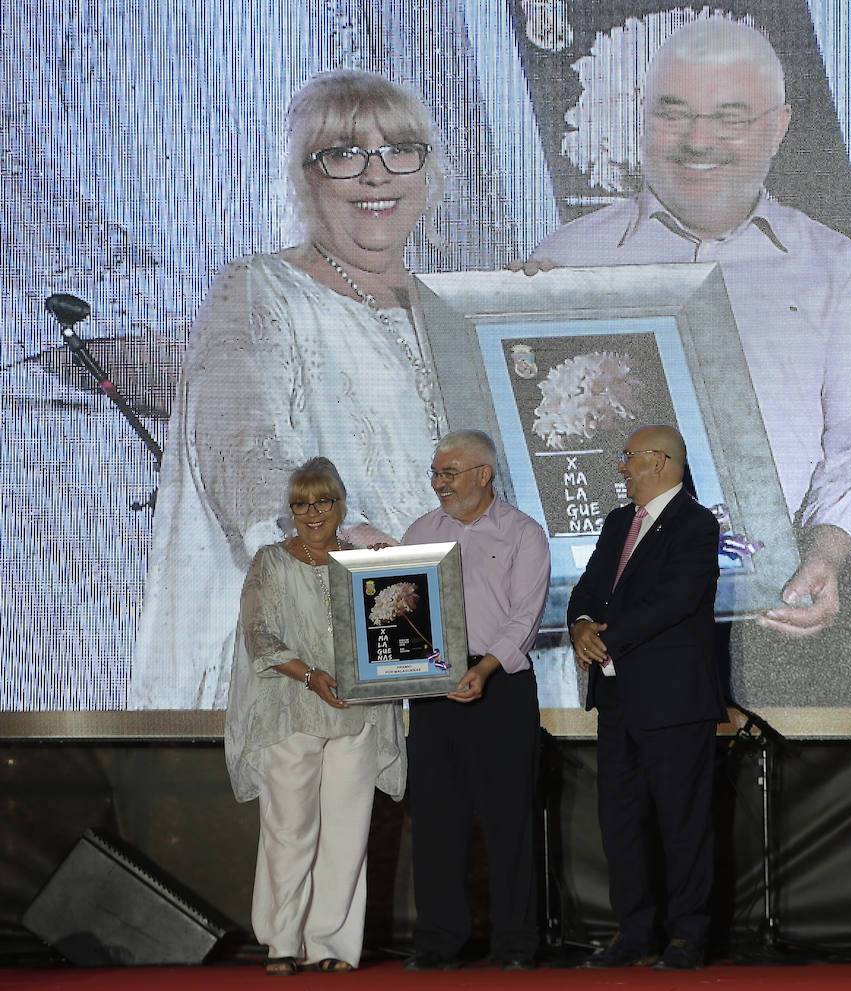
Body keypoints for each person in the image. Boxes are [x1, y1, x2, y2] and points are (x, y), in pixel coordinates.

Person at [528, 17, 851, 638]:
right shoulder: (563, 262)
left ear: (779, 126)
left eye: (730, 116)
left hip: (795, 611)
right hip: (620, 613)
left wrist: (824, 556)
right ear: (643, 120)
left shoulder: (838, 271)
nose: (697, 140)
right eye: (673, 113)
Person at [129, 70, 450, 709]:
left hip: (450, 641)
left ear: (427, 172)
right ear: (306, 178)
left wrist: (541, 308)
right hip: (319, 640)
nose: (376, 175)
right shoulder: (255, 290)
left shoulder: (457, 310)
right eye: (343, 154)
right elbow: (239, 449)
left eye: (400, 150)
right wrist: (348, 535)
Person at [224, 457, 406, 976]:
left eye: (322, 502)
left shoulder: (365, 560)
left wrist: (391, 566)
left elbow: (398, 623)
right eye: (301, 503)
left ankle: (331, 945)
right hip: (293, 711)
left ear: (339, 505)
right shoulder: (270, 562)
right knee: (288, 830)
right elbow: (259, 636)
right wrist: (310, 676)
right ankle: (282, 942)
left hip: (360, 714)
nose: (312, 513)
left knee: (348, 834)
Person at [568, 425, 725, 971]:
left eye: (628, 458)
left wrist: (605, 638)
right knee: (621, 821)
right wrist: (582, 625)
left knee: (682, 822)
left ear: (660, 462)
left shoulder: (697, 524)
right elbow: (588, 587)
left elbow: (675, 600)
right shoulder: (617, 523)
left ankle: (686, 935)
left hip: (675, 701)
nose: (621, 469)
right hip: (617, 699)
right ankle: (634, 932)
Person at [400, 430, 550, 971]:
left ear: (484, 474)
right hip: (433, 688)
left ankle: (515, 944)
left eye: (450, 473)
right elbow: (400, 609)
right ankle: (438, 941)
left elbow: (525, 618)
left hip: (501, 687)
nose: (439, 484)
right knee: (437, 821)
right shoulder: (420, 531)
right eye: (435, 474)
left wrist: (483, 670)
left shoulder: (523, 533)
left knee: (508, 820)